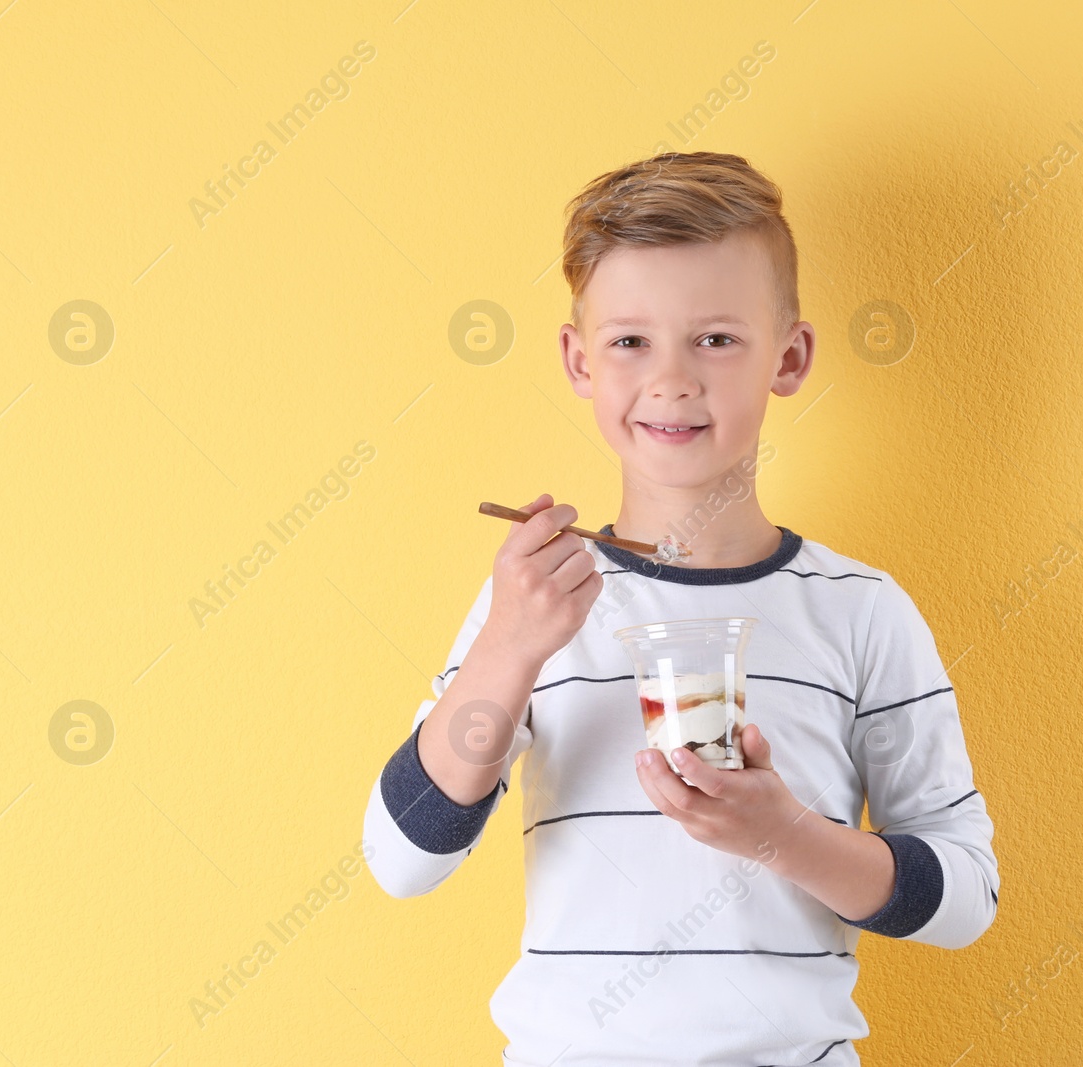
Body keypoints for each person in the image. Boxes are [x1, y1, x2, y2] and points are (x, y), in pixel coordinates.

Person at [362, 151, 998, 1065]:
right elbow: (401, 862)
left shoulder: (863, 613)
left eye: (715, 338)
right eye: (630, 341)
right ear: (579, 362)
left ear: (790, 356)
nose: (671, 379)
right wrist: (507, 650)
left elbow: (966, 898)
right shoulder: (536, 601)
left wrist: (784, 835)